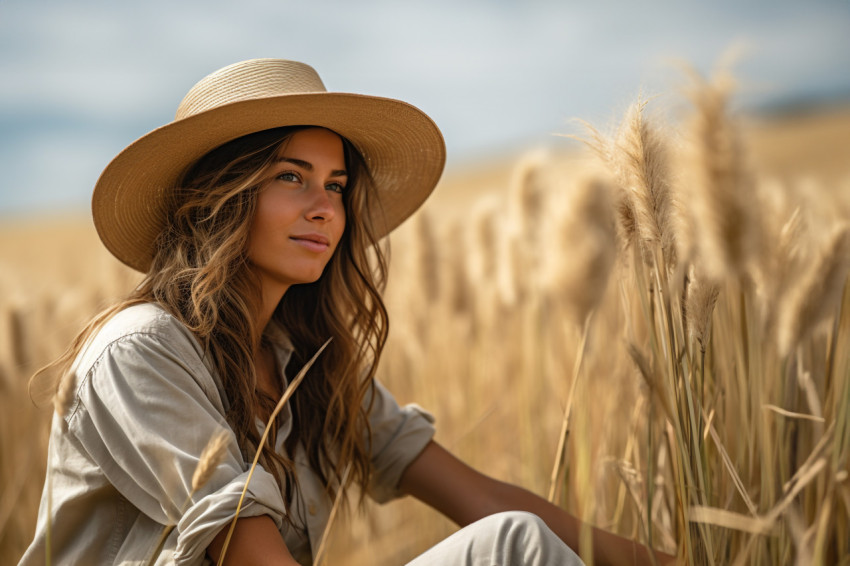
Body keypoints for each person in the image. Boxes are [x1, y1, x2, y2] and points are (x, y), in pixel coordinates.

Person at [21, 59, 672, 565]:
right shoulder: (141, 351)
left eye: (336, 185)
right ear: (217, 197)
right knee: (512, 549)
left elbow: (483, 498)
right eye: (290, 177)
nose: (325, 208)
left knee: (509, 536)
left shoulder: (305, 370)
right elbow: (251, 556)